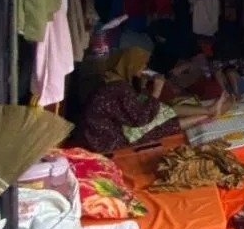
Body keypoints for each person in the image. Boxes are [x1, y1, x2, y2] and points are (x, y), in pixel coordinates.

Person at [79, 47, 220, 152]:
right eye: (142, 65)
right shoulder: (119, 87)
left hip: (98, 131)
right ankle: (206, 115)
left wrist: (143, 86)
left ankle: (208, 111)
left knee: (162, 110)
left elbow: (130, 107)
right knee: (158, 126)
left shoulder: (111, 78)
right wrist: (156, 90)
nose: (144, 69)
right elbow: (141, 119)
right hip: (104, 139)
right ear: (130, 65)